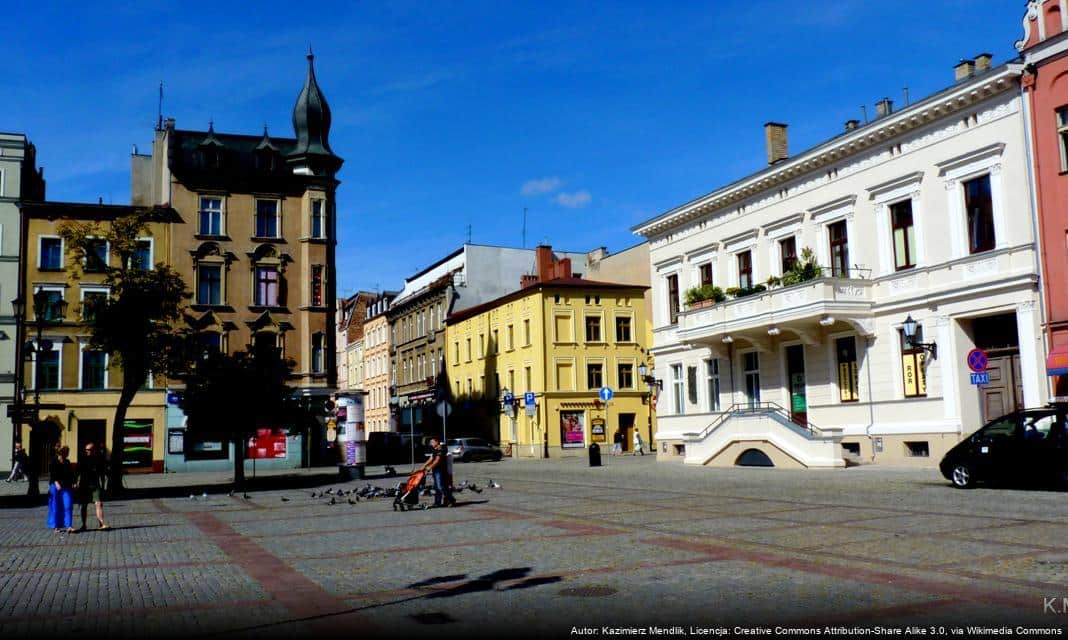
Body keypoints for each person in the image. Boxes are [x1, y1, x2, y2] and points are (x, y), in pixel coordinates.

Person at [75, 442, 109, 531]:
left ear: (94, 450)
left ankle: (101, 524)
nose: (87, 451)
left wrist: (103, 485)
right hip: (84, 485)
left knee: (99, 503)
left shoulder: (98, 460)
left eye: (89, 450)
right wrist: (75, 482)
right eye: (86, 450)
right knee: (84, 505)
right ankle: (84, 525)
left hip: (95, 484)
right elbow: (77, 472)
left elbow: (102, 473)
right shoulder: (82, 459)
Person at [47, 445, 75, 533]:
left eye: (68, 452)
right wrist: (56, 483)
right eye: (66, 452)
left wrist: (74, 482)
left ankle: (69, 525)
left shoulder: (67, 462)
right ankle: (55, 526)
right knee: (55, 506)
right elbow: (52, 475)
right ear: (61, 453)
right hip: (55, 486)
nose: (67, 454)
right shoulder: (53, 462)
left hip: (66, 486)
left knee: (68, 505)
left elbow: (71, 474)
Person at [422, 437, 455, 508]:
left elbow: (437, 460)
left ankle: (451, 499)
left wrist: (429, 467)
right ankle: (437, 502)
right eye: (431, 442)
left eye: (432, 442)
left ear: (437, 442)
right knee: (437, 487)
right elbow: (431, 458)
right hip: (435, 470)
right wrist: (424, 466)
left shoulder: (441, 449)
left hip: (440, 470)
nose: (431, 444)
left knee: (440, 487)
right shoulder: (435, 449)